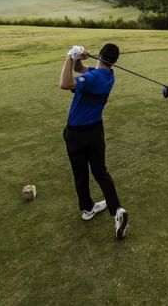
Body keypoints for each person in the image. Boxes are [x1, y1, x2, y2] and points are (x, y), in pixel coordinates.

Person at [59, 43, 128, 240]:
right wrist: (79, 59)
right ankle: (116, 211)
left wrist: (69, 55)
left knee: (80, 173)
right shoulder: (108, 76)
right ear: (114, 61)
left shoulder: (93, 78)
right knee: (100, 172)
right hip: (95, 132)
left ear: (100, 55)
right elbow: (81, 70)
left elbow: (65, 83)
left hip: (77, 133)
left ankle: (87, 209)